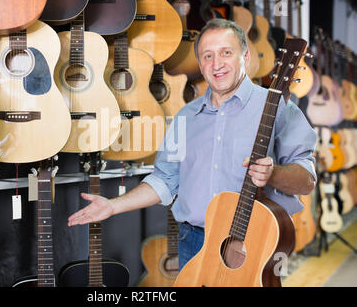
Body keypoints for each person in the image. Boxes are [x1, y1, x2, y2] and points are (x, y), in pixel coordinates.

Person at [68, 18, 317, 271]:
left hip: (253, 243)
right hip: (192, 242)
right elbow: (164, 180)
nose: (216, 64)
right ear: (200, 64)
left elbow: (307, 180)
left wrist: (273, 173)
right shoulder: (185, 117)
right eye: (207, 56)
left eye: (226, 53)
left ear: (246, 55)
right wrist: (113, 205)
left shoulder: (277, 108)